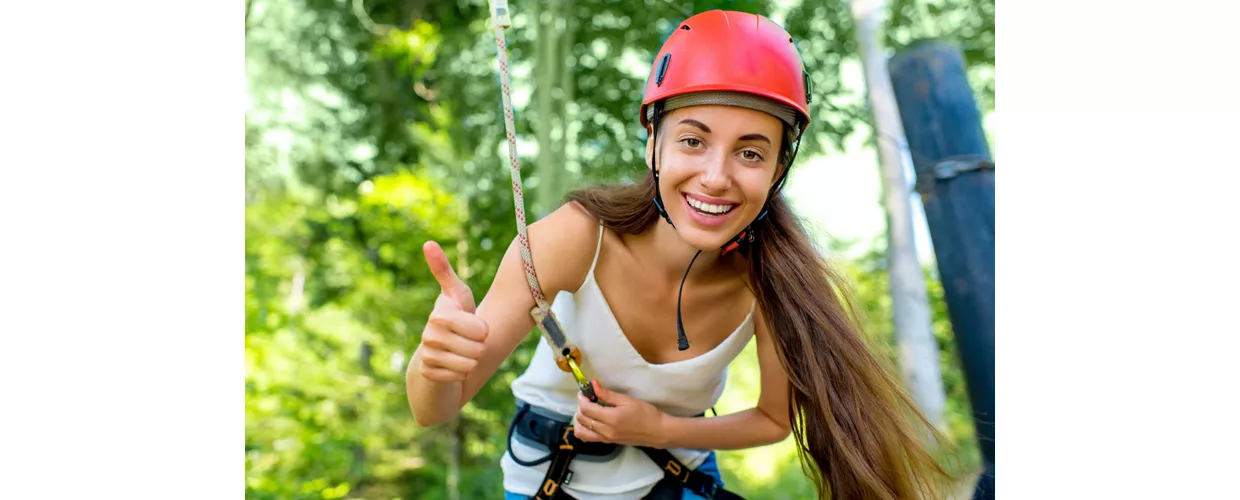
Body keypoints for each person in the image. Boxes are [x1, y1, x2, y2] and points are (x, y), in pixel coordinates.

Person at [407, 9, 950, 500]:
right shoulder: (573, 239)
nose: (716, 178)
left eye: (751, 152)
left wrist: (661, 429)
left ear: (778, 171)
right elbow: (435, 408)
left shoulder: (775, 281)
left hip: (679, 480)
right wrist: (432, 364)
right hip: (551, 479)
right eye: (693, 140)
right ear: (653, 143)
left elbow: (771, 419)